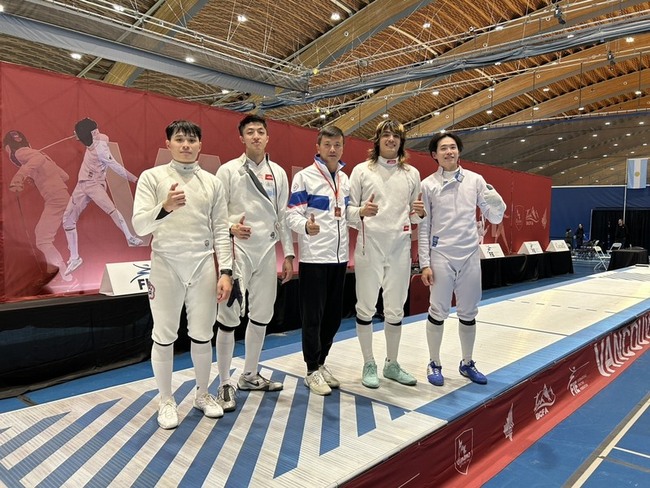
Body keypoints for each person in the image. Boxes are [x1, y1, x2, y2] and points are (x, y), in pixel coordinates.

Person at [132, 120, 233, 429]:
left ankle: (202, 394)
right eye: (179, 139)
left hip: (202, 264)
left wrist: (226, 271)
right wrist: (164, 207)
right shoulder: (152, 177)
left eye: (191, 140)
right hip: (165, 264)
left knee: (203, 333)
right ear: (169, 144)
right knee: (164, 335)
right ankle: (166, 400)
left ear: (200, 145)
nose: (186, 145)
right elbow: (139, 226)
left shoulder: (212, 183)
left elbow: (221, 229)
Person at [214, 114, 294, 412]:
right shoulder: (228, 171)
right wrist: (231, 227)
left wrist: (288, 254)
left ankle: (249, 375)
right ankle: (224, 382)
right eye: (250, 132)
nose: (256, 136)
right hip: (238, 251)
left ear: (267, 137)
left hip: (266, 250)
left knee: (261, 315)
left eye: (261, 131)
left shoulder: (279, 173)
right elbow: (216, 214)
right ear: (242, 138)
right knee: (229, 316)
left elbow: (283, 215)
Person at [418, 133, 506, 387]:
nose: (449, 152)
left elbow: (495, 217)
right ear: (434, 154)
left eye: (453, 147)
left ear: (459, 151)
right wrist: (424, 264)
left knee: (468, 311)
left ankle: (467, 363)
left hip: (469, 254)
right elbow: (424, 226)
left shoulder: (475, 180)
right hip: (441, 254)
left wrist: (496, 203)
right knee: (438, 310)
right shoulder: (427, 185)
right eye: (443, 148)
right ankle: (434, 363)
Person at [348, 119, 424, 389]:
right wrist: (361, 211)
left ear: (401, 142)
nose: (391, 140)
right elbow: (347, 211)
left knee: (395, 308)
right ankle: (369, 362)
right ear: (378, 140)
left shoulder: (412, 173)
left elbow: (414, 215)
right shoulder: (361, 171)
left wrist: (419, 213)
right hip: (370, 245)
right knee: (366, 306)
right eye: (386, 135)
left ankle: (391, 364)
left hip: (399, 246)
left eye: (396, 136)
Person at [287, 125, 350, 396]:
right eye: (327, 144)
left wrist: (363, 212)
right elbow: (292, 214)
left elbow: (347, 213)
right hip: (314, 258)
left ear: (342, 147)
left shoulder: (345, 179)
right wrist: (305, 226)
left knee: (333, 318)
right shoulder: (304, 177)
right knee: (313, 317)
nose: (332, 149)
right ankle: (311, 369)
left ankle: (322, 362)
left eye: (337, 144)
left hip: (340, 258)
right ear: (318, 147)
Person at [63, 118, 143, 276]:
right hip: (82, 185)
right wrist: (81, 133)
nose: (75, 135)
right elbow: (99, 136)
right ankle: (74, 258)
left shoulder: (101, 150)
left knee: (111, 210)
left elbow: (116, 167)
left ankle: (130, 237)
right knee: (67, 220)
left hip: (94, 185)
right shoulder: (98, 139)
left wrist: (135, 179)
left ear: (86, 134)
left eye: (77, 133)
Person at [3, 130, 71, 283]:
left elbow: (37, 160)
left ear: (9, 148)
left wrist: (19, 176)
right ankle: (60, 274)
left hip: (56, 199)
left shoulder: (20, 152)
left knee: (42, 239)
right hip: (62, 197)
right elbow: (65, 176)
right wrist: (37, 177)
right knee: (42, 236)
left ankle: (63, 276)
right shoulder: (41, 155)